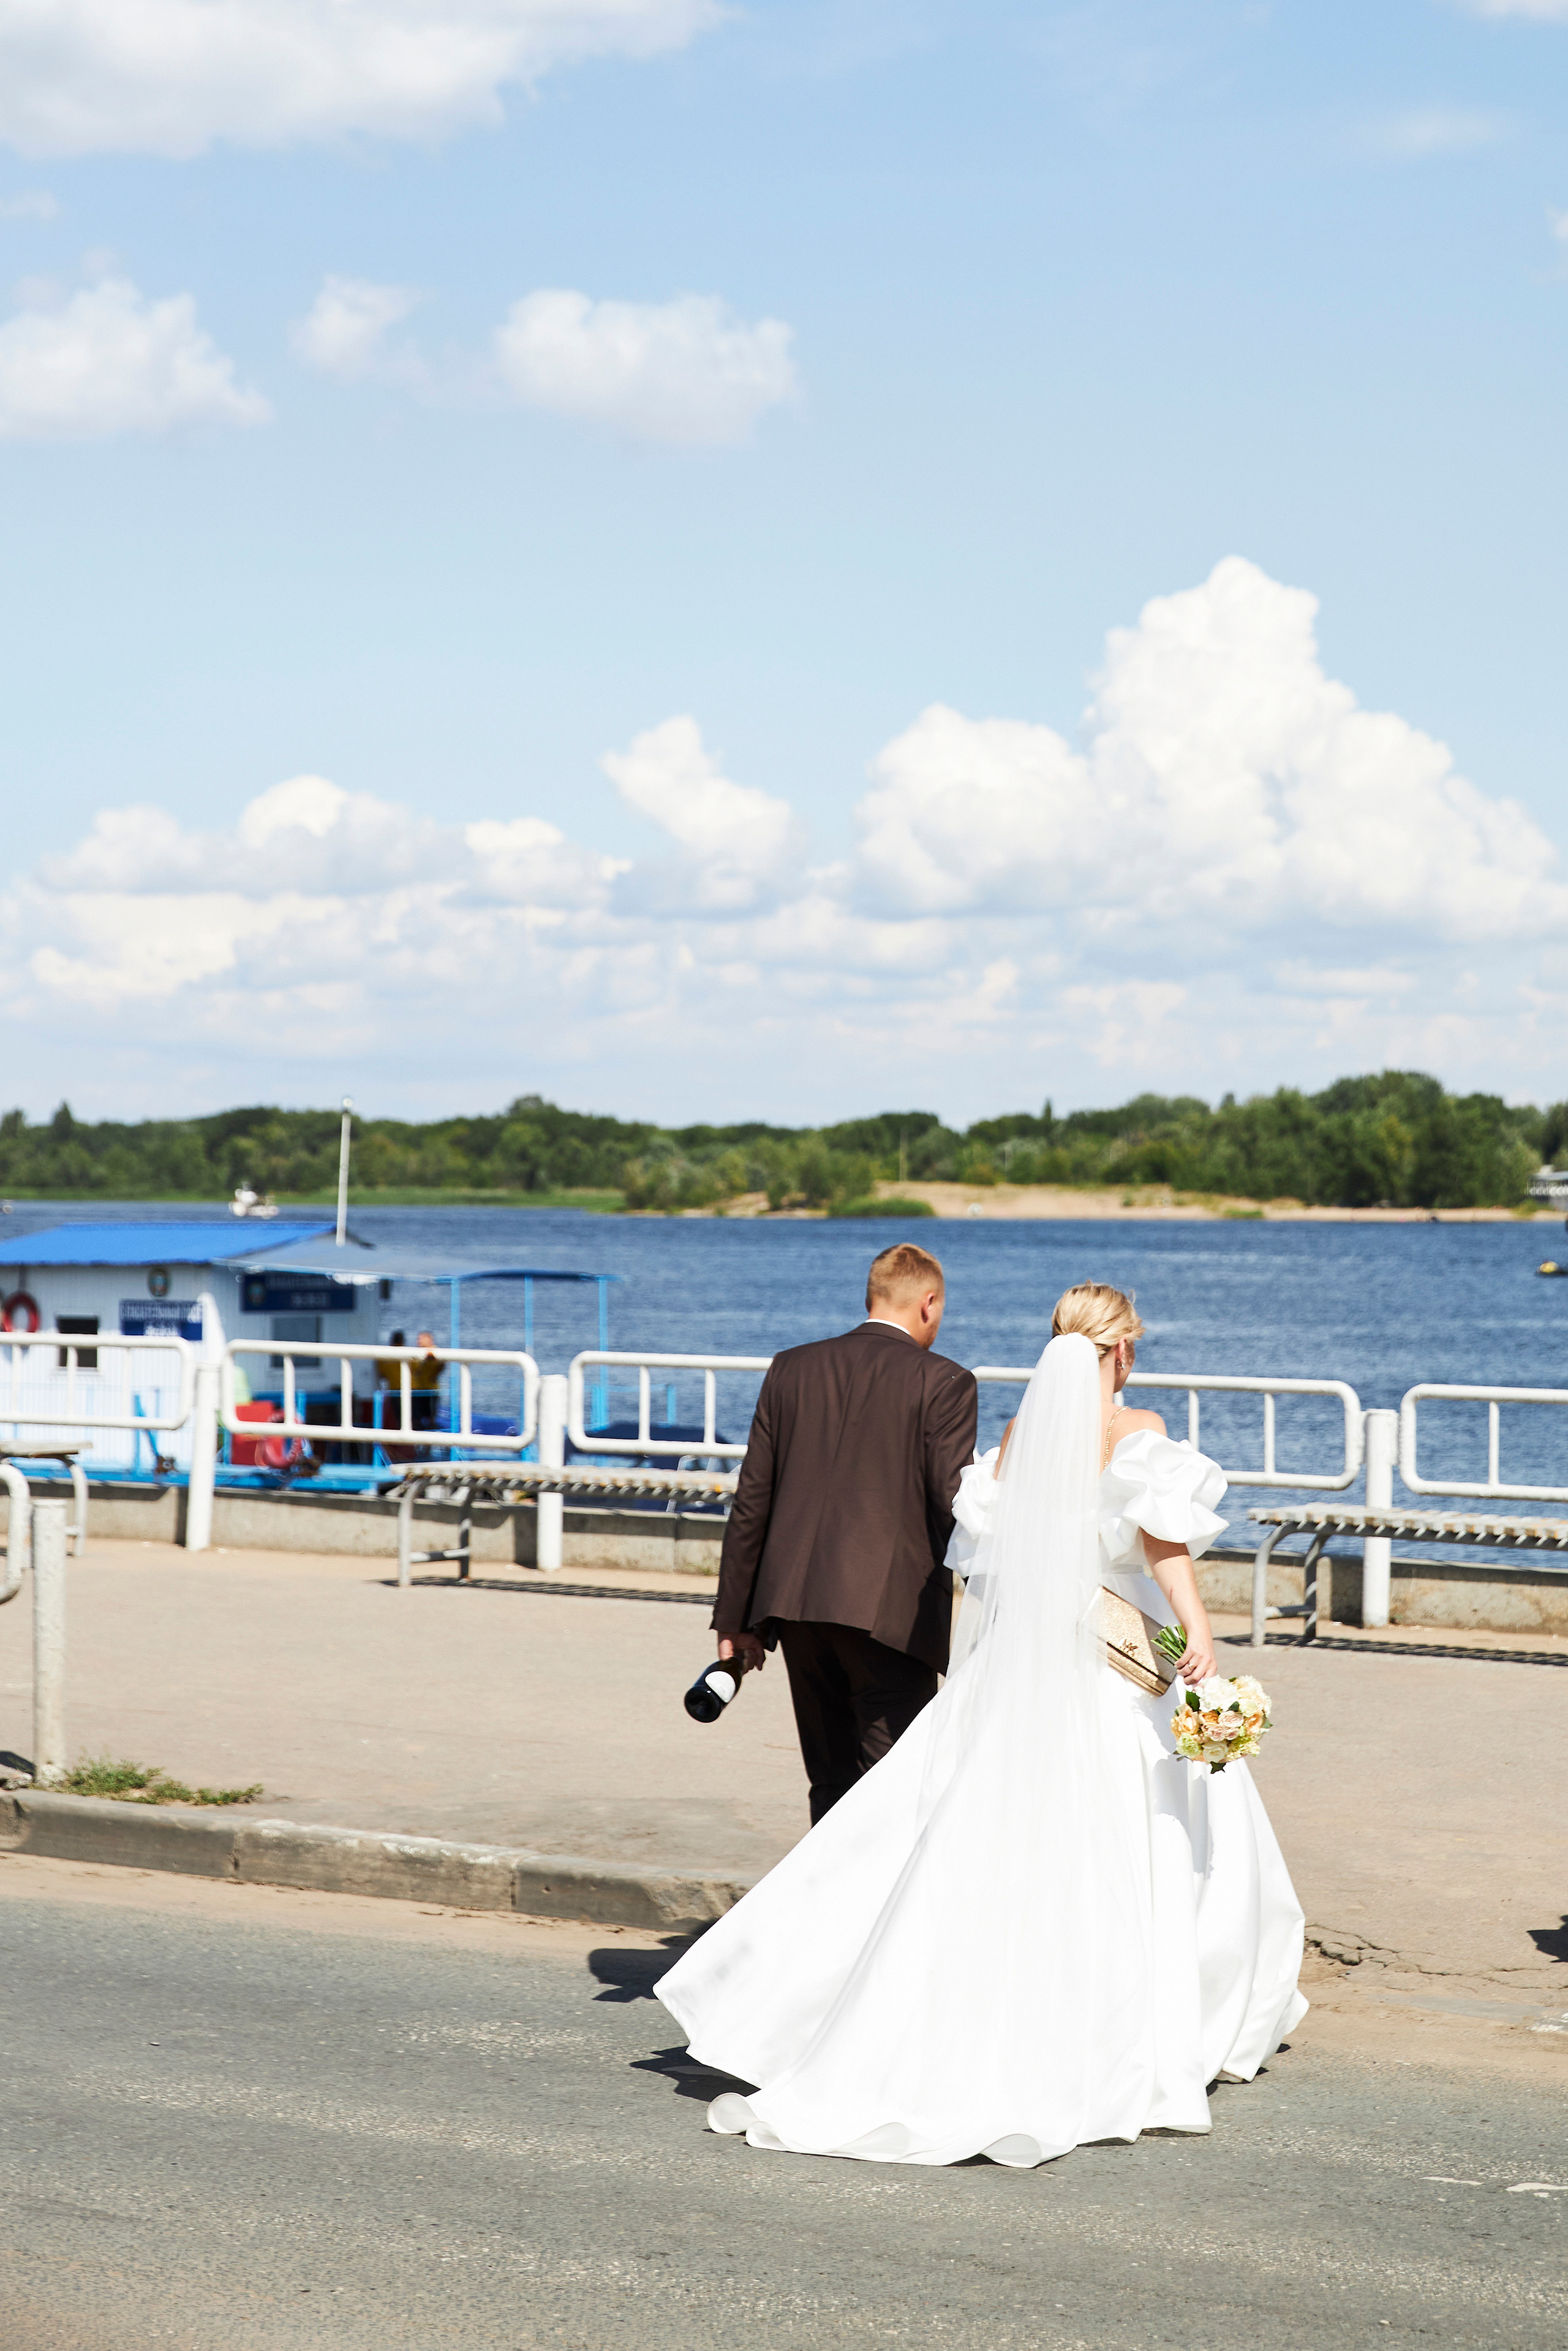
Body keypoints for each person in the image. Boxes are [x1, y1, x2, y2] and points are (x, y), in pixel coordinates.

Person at [657, 1281, 1307, 2168]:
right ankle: (1143, 2023)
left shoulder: (1018, 1438)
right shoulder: (1139, 1430)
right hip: (1124, 1656)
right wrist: (1198, 1629)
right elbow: (1164, 1546)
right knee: (1150, 1829)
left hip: (1030, 1657)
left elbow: (990, 1564)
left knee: (976, 1827)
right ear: (1121, 1351)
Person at [710, 1242, 978, 1824]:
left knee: (829, 1781)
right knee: (894, 1787)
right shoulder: (946, 1381)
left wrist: (735, 1618)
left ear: (871, 1297)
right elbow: (952, 1501)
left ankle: (822, 1883)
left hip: (795, 1609)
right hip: (891, 1616)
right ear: (929, 1303)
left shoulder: (792, 1367)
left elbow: (753, 1500)